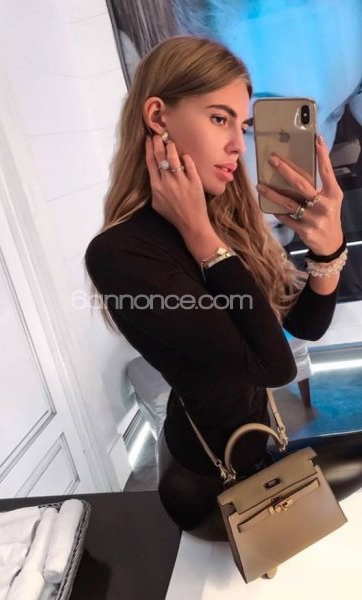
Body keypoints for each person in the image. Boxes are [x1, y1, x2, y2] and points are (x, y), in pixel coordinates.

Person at [85, 35, 362, 540]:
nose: (238, 143)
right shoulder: (120, 254)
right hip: (207, 484)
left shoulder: (225, 217)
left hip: (259, 445)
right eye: (220, 119)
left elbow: (305, 325)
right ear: (158, 117)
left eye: (243, 125)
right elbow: (275, 366)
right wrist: (201, 236)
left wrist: (327, 251)